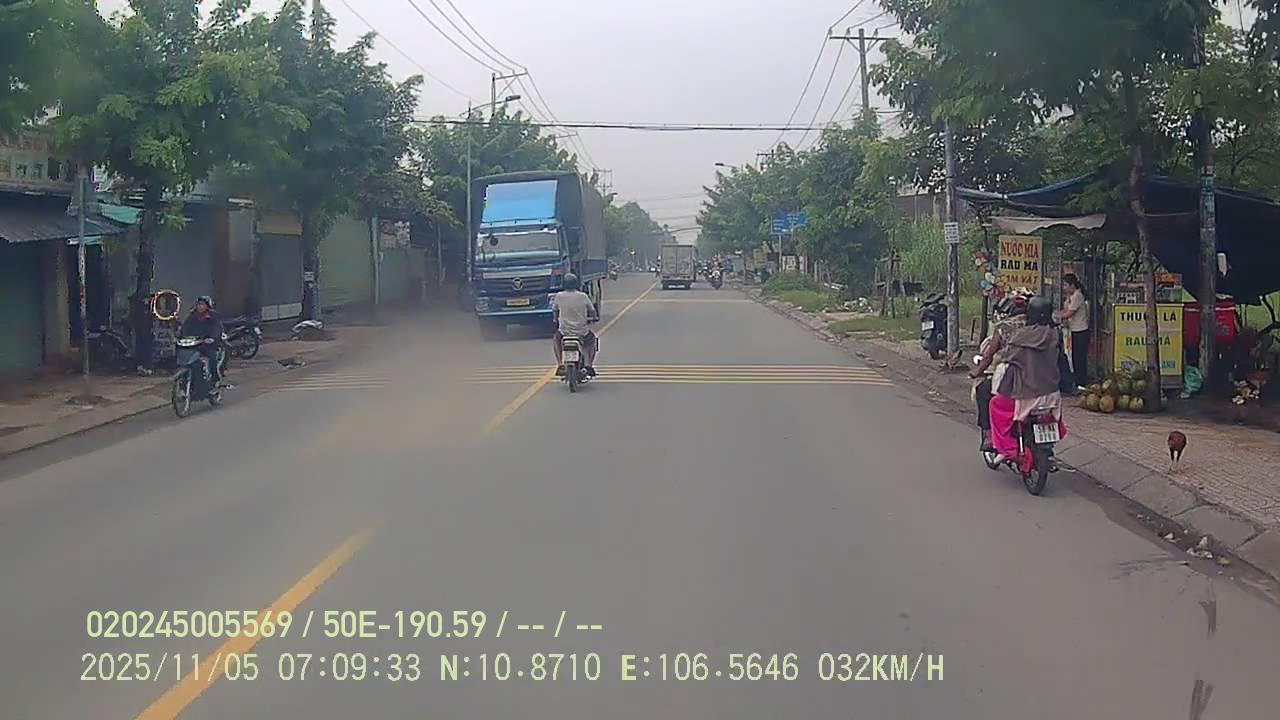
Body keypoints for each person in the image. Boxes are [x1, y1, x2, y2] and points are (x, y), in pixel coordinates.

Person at [970, 295, 1064, 464]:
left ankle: (1006, 447)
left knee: (995, 404)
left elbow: (1003, 356)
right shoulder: (1055, 334)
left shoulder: (1019, 336)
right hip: (1052, 396)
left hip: (1027, 396)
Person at [972, 292, 1029, 450]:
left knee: (983, 391)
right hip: (1043, 382)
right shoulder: (1044, 329)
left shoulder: (1004, 327)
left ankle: (989, 434)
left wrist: (977, 371)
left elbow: (989, 355)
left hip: (1013, 378)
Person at [551, 273, 599, 376]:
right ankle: (589, 365)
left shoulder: (559, 296)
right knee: (592, 341)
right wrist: (594, 318)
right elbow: (592, 310)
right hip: (581, 331)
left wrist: (555, 319)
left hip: (564, 331)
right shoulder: (583, 296)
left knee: (556, 340)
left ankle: (560, 364)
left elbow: (555, 310)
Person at [1054, 273, 1090, 390]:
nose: (1064, 288)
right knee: (1075, 357)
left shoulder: (1078, 296)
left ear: (1072, 285)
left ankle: (1082, 383)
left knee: (1080, 358)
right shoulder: (1072, 296)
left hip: (1081, 331)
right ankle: (1078, 382)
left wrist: (1055, 316)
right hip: (1075, 330)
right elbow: (1065, 310)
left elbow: (1069, 313)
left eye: (1066, 285)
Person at [180, 295, 225, 386]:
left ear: (207, 306)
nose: (200, 306)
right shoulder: (193, 316)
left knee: (211, 358)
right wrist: (180, 336)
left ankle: (214, 379)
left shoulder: (213, 316)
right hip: (195, 344)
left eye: (202, 304)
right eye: (199, 304)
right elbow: (185, 327)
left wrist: (212, 338)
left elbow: (217, 329)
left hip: (209, 345)